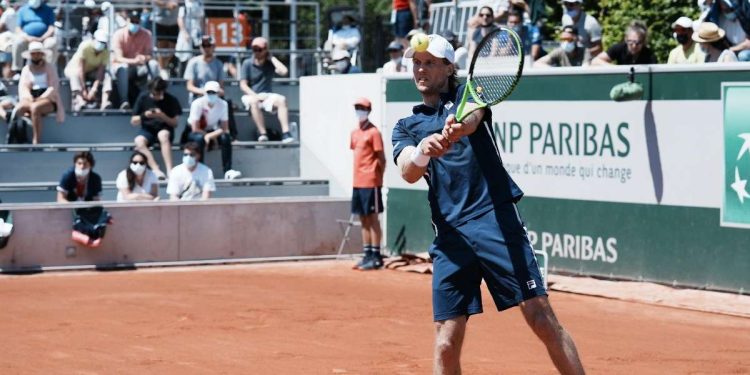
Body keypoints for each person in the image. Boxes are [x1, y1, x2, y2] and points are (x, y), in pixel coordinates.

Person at [391, 34, 585, 374]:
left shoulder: (472, 94)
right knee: (446, 340)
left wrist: (453, 130)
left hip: (495, 219)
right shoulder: (406, 126)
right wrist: (423, 149)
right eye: (417, 63)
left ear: (449, 68)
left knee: (540, 317)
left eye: (430, 63)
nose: (421, 69)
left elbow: (471, 120)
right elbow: (408, 170)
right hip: (451, 237)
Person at [350, 97, 386, 271]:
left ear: (369, 110)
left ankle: (376, 256)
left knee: (373, 219)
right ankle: (367, 255)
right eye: (357, 107)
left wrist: (378, 179)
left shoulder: (374, 132)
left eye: (362, 108)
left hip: (371, 182)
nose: (359, 110)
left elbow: (382, 159)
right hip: (357, 182)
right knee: (363, 219)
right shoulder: (355, 132)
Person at [239, 37, 294, 143]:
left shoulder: (270, 63)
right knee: (254, 102)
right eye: (254, 49)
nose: (256, 52)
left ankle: (286, 133)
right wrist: (255, 96)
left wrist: (272, 58)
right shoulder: (247, 63)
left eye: (259, 49)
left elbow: (284, 71)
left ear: (266, 50)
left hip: (267, 95)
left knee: (282, 100)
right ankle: (262, 133)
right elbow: (243, 85)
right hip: (251, 96)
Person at [187, 81, 242, 180]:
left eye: (213, 92)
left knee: (226, 138)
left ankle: (228, 170)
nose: (211, 95)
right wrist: (209, 136)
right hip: (195, 132)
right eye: (209, 92)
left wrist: (210, 137)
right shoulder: (197, 103)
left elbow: (224, 128)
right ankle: (200, 171)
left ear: (218, 93)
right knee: (199, 139)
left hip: (212, 131)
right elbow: (195, 128)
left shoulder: (223, 104)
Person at [13, 41, 63, 144]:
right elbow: (23, 87)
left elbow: (53, 87)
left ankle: (36, 140)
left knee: (35, 108)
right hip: (31, 97)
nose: (36, 56)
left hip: (48, 99)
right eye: (33, 53)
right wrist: (29, 97)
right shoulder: (26, 69)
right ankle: (20, 137)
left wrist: (41, 97)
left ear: (42, 54)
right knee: (18, 109)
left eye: (38, 53)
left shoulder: (50, 68)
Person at [131, 77, 181, 179]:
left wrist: (162, 115)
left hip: (164, 128)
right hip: (148, 130)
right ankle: (155, 168)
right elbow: (133, 121)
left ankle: (169, 170)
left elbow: (175, 123)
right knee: (138, 141)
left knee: (163, 135)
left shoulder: (171, 100)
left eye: (159, 94)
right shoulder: (143, 97)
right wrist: (144, 115)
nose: (156, 96)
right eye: (154, 94)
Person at [111, 9, 160, 109]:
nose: (134, 24)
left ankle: (152, 97)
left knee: (154, 65)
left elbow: (150, 55)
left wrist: (144, 57)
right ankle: (124, 101)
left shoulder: (147, 34)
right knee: (123, 68)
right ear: (127, 21)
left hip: (140, 67)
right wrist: (134, 61)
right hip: (123, 68)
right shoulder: (118, 34)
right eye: (132, 21)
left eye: (137, 22)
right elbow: (118, 58)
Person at [65, 29, 113, 111]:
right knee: (74, 74)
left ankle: (105, 102)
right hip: (74, 69)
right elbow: (81, 69)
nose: (101, 44)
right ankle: (79, 100)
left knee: (107, 75)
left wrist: (94, 89)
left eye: (103, 43)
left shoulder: (106, 52)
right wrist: (83, 89)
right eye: (99, 41)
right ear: (94, 39)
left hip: (91, 71)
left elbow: (100, 71)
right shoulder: (85, 46)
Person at [11, 0, 57, 77]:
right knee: (17, 43)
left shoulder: (48, 10)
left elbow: (51, 28)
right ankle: (18, 71)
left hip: (44, 38)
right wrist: (27, 37)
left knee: (52, 43)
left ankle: (49, 70)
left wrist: (42, 38)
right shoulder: (22, 10)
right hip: (27, 39)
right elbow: (18, 28)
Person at [592, 21, 657, 65]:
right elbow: (595, 61)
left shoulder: (649, 55)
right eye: (631, 42)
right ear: (626, 39)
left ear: (644, 42)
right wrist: (615, 69)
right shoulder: (619, 48)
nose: (634, 46)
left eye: (638, 43)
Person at [152, 0, 179, 78]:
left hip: (174, 23)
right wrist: (167, 4)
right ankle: (161, 69)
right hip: (160, 22)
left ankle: (163, 66)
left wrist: (175, 3)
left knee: (172, 50)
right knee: (162, 48)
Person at [175, 0, 204, 67]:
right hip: (186, 34)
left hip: (197, 34)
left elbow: (201, 18)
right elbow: (180, 19)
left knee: (197, 55)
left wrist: (202, 32)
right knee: (184, 55)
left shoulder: (199, 3)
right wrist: (184, 32)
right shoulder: (184, 4)